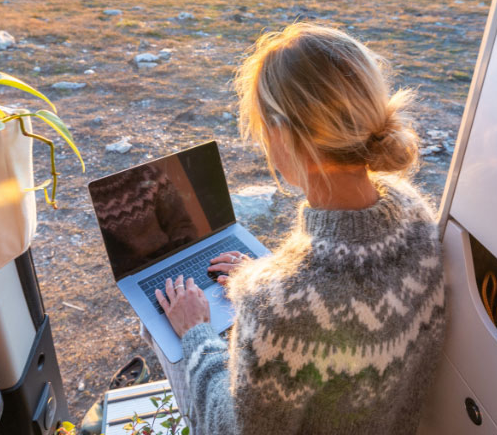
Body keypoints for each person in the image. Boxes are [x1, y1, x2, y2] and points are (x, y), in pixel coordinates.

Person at [151, 22, 446, 434]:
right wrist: (265, 278)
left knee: (160, 329)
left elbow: (231, 428)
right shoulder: (415, 213)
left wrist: (197, 333)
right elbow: (344, 293)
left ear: (283, 135)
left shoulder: (278, 304)